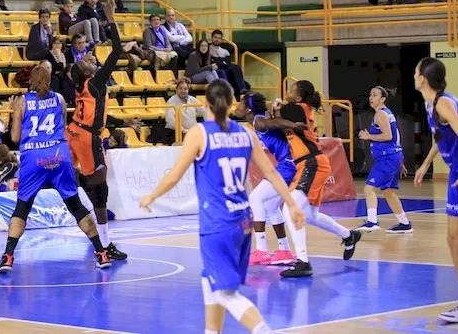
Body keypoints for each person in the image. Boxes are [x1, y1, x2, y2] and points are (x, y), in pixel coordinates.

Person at [139, 79, 305, 334]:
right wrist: (292, 204)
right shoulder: (246, 133)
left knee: (225, 294)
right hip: (244, 223)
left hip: (217, 223)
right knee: (210, 282)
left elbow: (173, 177)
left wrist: (151, 197)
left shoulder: (199, 133)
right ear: (231, 104)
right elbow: (271, 172)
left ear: (205, 103)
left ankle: (263, 330)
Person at [0, 63, 112, 273]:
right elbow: (62, 127)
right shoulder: (59, 98)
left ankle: (8, 257)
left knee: (22, 208)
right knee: (76, 206)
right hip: (59, 155)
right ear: (49, 80)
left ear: (30, 81)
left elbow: (15, 137)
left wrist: (13, 112)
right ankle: (101, 253)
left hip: (34, 158)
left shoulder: (22, 102)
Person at [277, 80, 362, 278]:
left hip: (311, 164)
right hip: (311, 164)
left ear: (298, 97)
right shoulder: (298, 110)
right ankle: (349, 235)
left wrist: (275, 106)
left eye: (291, 91)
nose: (287, 93)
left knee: (290, 209)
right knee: (310, 215)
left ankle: (303, 261)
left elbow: (279, 113)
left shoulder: (298, 108)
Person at [66, 0, 127, 261]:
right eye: (88, 61)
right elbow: (117, 52)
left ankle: (83, 191)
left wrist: (122, 123)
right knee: (100, 190)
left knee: (91, 184)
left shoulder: (84, 86)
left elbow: (98, 114)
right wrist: (111, 20)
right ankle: (103, 243)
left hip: (74, 131)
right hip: (86, 138)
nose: (91, 60)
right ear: (87, 72)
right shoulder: (96, 81)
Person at [413, 57, 458, 324]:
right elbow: (442, 137)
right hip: (457, 175)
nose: (414, 75)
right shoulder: (432, 104)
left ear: (423, 78)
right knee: (454, 240)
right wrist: (426, 163)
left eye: (416, 72)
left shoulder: (444, 103)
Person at [236, 92, 296, 267]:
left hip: (288, 165)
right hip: (287, 164)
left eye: (241, 103)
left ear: (248, 109)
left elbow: (274, 123)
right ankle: (284, 251)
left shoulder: (259, 121)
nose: (237, 106)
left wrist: (294, 125)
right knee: (270, 205)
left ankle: (261, 251)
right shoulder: (258, 121)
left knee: (255, 198)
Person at [354, 86, 412, 234]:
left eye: (374, 95)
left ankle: (372, 222)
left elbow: (388, 136)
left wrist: (369, 136)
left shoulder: (381, 114)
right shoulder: (387, 113)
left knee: (369, 188)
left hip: (387, 159)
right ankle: (404, 223)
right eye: (370, 94)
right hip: (393, 157)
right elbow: (396, 137)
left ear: (383, 99)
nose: (371, 97)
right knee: (389, 192)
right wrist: (400, 160)